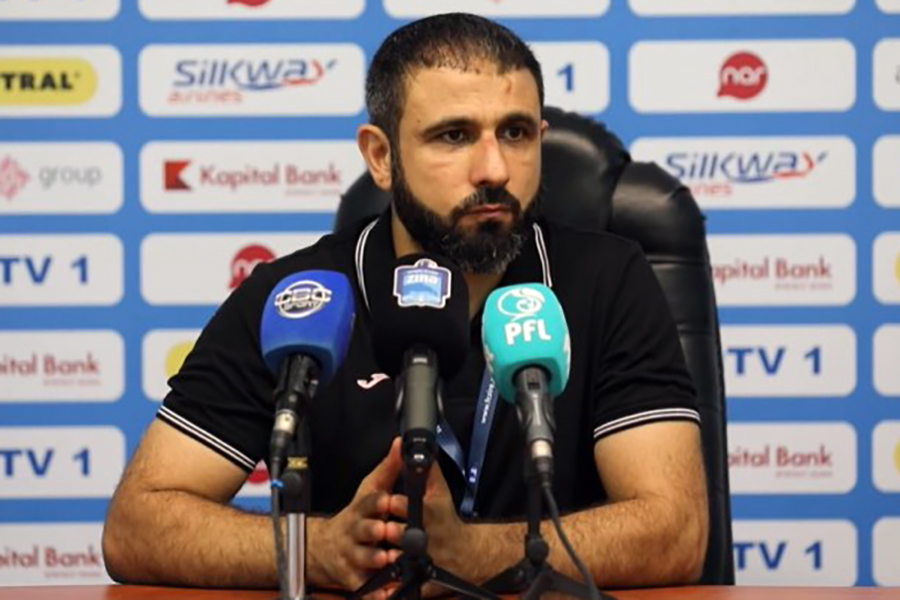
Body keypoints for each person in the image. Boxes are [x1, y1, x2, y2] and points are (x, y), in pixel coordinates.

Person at [102, 12, 709, 595]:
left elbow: (676, 533)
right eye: (454, 136)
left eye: (516, 133)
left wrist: (474, 554)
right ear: (381, 157)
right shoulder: (298, 298)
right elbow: (135, 526)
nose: (495, 168)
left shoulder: (608, 279)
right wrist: (318, 549)